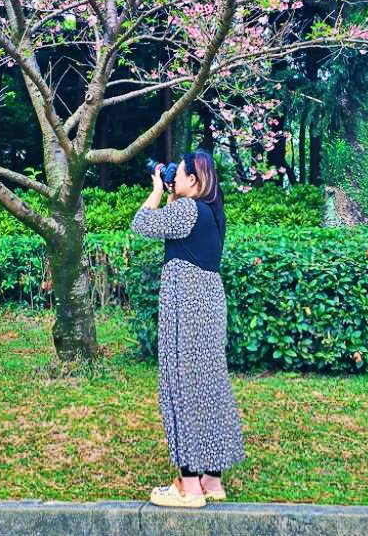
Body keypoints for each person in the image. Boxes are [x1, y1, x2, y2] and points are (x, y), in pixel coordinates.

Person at [130, 148, 245, 508]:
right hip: (209, 301)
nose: (172, 180)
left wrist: (156, 192)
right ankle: (212, 479)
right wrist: (172, 191)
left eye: (177, 176)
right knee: (207, 384)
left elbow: (142, 224)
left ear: (193, 180)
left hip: (186, 303)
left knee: (181, 386)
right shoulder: (212, 212)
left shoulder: (186, 208)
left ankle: (189, 485)